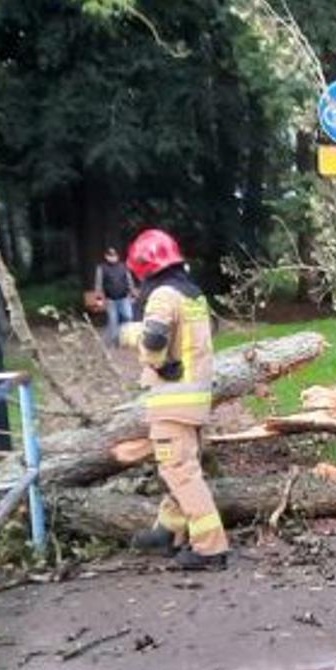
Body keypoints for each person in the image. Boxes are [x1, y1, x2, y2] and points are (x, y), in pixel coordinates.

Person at [117, 229, 230, 570]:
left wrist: (145, 350)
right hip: (194, 398)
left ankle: (211, 548)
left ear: (142, 267)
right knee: (180, 467)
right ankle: (168, 530)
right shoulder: (193, 295)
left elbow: (154, 338)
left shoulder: (163, 295)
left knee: (180, 471)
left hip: (171, 401)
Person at [92, 247, 135, 344]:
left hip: (124, 298)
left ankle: (123, 338)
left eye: (114, 255)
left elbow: (129, 281)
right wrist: (99, 299)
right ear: (106, 257)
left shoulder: (124, 266)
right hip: (110, 300)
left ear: (117, 256)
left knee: (128, 317)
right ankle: (115, 343)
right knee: (113, 321)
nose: (113, 258)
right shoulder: (102, 268)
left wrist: (132, 294)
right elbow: (98, 284)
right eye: (110, 256)